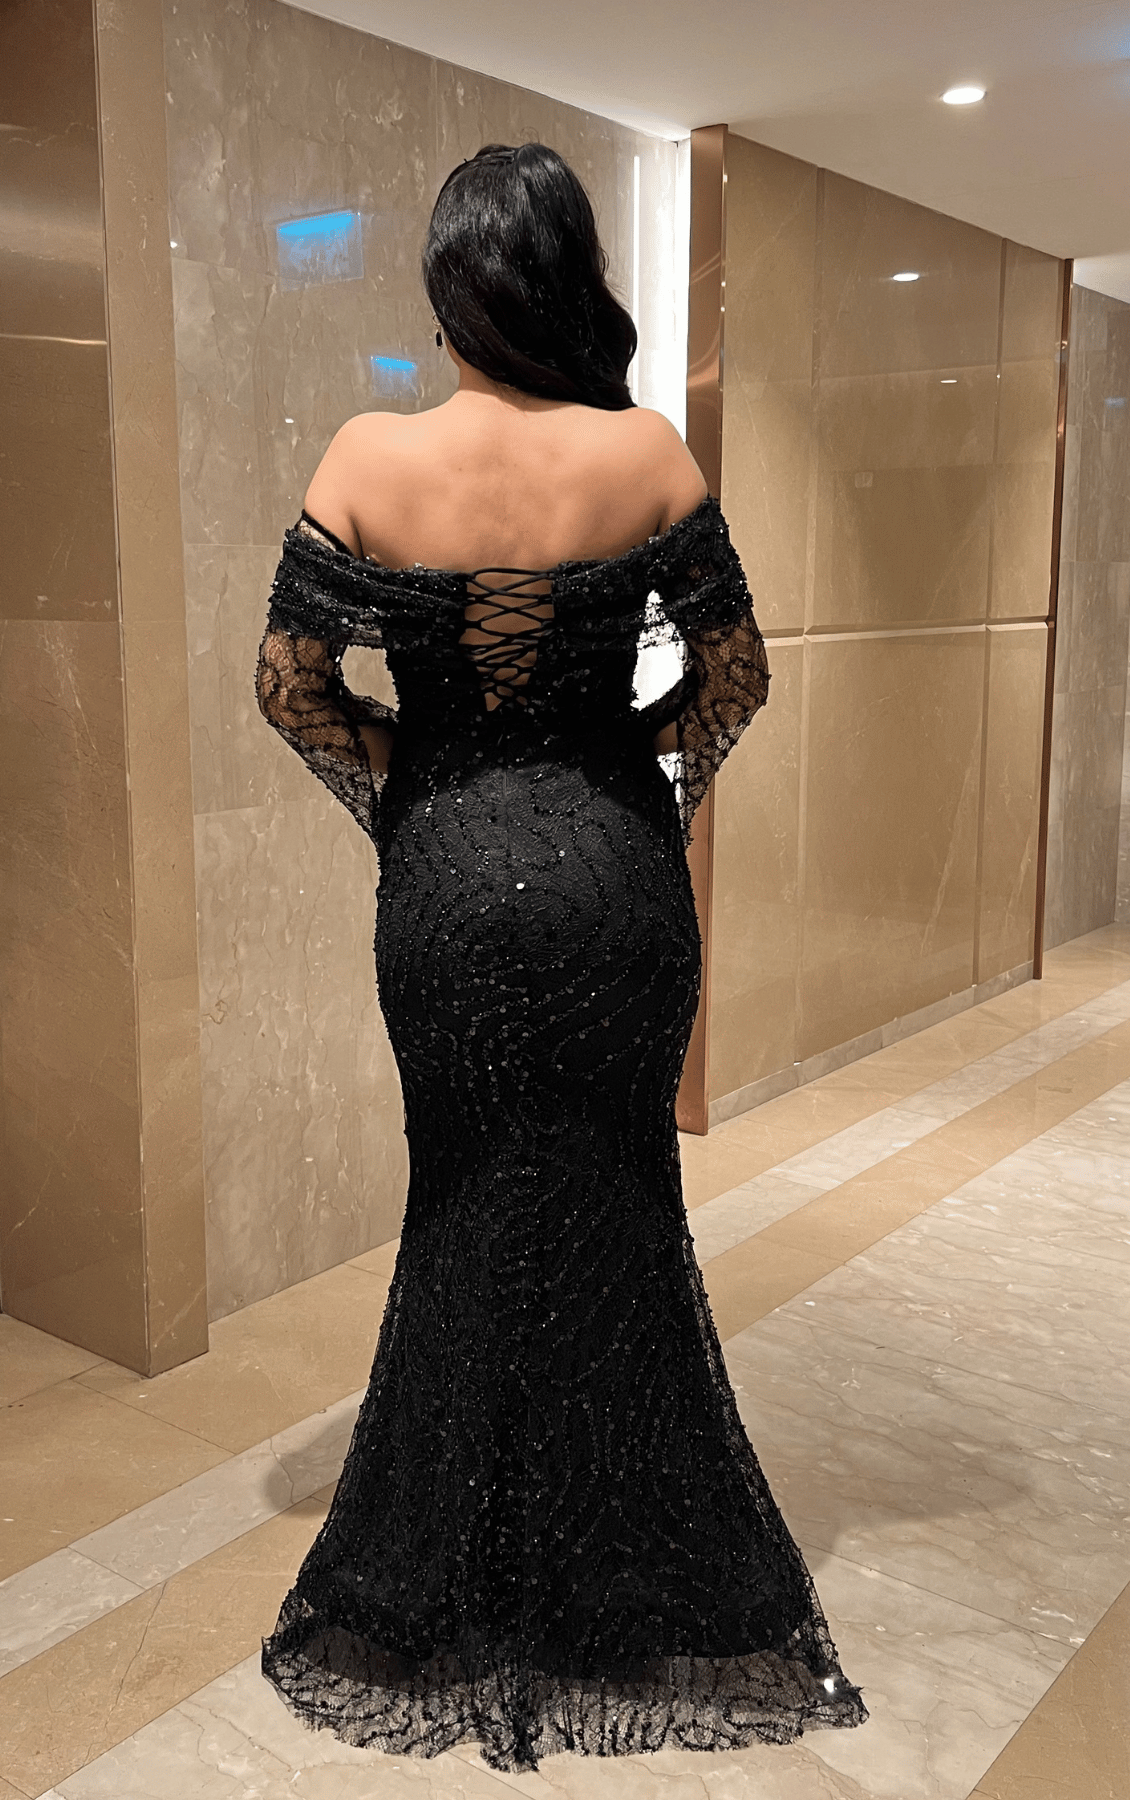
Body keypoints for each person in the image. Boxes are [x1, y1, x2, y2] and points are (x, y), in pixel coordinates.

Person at [255, 141, 866, 1775]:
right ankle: (632, 1571)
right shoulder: (645, 452)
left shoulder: (369, 454)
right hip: (612, 881)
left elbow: (290, 687)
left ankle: (444, 1567)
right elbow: (733, 678)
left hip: (446, 885)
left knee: (460, 1201)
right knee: (616, 1200)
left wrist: (429, 781)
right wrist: (611, 774)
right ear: (569, 278)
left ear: (455, 286)